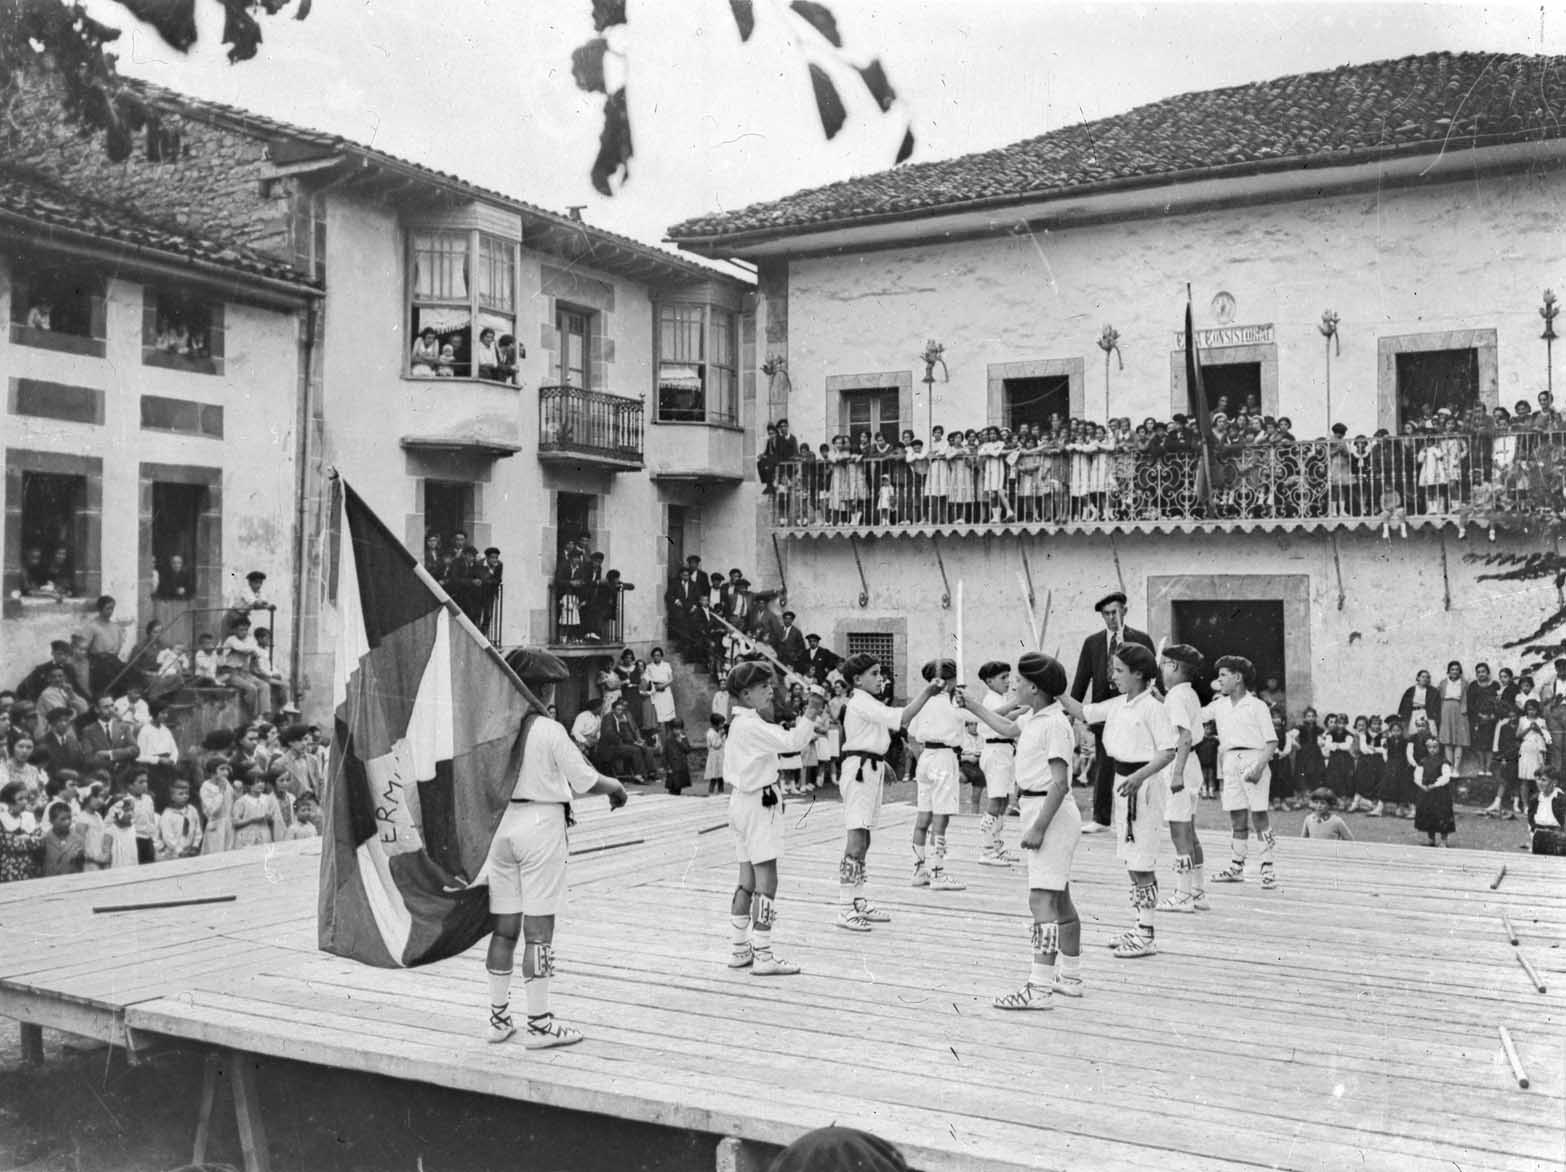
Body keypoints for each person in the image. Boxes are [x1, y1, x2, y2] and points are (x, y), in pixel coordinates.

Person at [483, 648, 627, 1047]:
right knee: (540, 930)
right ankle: (540, 1024)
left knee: (504, 927)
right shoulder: (548, 729)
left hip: (502, 827)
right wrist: (615, 787)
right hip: (541, 824)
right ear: (544, 688)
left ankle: (497, 1019)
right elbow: (583, 779)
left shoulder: (493, 726)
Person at [960, 652, 1083, 1009]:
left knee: (1041, 900)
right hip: (1039, 807)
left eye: (1020, 681)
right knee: (1058, 898)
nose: (1014, 685)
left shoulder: (1055, 724)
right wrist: (970, 705)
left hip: (1050, 812)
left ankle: (1039, 986)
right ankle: (1070, 976)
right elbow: (1005, 728)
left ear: (1034, 687)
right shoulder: (1035, 717)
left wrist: (1038, 829)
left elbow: (1059, 784)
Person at [1060, 644, 1176, 959]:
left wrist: (1139, 777)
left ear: (1139, 674)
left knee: (1143, 860)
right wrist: (1055, 688)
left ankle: (1148, 933)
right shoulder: (1119, 703)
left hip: (1144, 787)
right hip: (1123, 783)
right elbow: (1084, 711)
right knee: (1130, 857)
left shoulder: (1152, 707)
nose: (1113, 677)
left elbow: (1168, 751)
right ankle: (1139, 925)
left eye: (1119, 671)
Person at [721, 660, 825, 976]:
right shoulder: (751, 725)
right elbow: (792, 744)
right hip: (757, 805)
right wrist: (812, 710)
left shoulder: (742, 723)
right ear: (746, 694)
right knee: (767, 880)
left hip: (743, 802)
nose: (770, 690)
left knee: (746, 880)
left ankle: (740, 948)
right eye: (763, 687)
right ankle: (763, 954)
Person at [835, 653, 944, 933]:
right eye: (873, 673)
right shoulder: (860, 701)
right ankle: (845, 907)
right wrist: (928, 692)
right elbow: (903, 717)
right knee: (856, 839)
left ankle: (858, 900)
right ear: (857, 680)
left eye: (879, 672)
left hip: (870, 769)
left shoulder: (869, 702)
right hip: (858, 772)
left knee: (865, 838)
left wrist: (883, 764)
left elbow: (872, 738)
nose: (880, 677)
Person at [1070, 591, 1155, 835]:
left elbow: (1151, 674)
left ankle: (1133, 818)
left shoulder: (1140, 639)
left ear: (1125, 611)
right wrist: (1071, 712)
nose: (1111, 618)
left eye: (1115, 612)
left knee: (1132, 760)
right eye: (1106, 614)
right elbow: (1081, 679)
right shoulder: (1093, 642)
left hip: (1134, 709)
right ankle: (1101, 818)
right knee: (1104, 763)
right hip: (1103, 711)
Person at [1203, 655, 1281, 889]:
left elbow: (1271, 742)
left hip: (1254, 759)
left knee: (1259, 816)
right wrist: (1159, 698)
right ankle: (1237, 866)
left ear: (1238, 678)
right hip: (1229, 760)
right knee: (1237, 817)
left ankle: (1267, 867)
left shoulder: (1257, 706)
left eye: (1223, 675)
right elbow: (1192, 714)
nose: (1219, 680)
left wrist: (1258, 767)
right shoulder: (1219, 705)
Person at [907, 659, 969, 893]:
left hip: (926, 757)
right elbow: (980, 717)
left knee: (924, 816)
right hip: (944, 757)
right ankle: (937, 872)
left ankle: (919, 868)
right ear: (950, 680)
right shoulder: (955, 702)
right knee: (941, 817)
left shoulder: (922, 702)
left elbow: (912, 732)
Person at [1157, 644, 1210, 913]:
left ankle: (1183, 894)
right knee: (1189, 831)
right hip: (1192, 765)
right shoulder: (1186, 694)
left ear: (1174, 667)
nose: (1162, 669)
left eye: (1165, 664)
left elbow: (1185, 736)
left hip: (1181, 764)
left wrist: (1176, 772)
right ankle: (1197, 892)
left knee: (1179, 832)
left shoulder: (1176, 697)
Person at [975, 660, 1025, 867]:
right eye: (1003, 678)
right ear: (989, 681)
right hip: (994, 750)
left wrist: (1023, 709)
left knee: (1003, 800)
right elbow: (996, 715)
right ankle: (986, 849)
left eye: (1008, 677)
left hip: (1005, 751)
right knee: (995, 800)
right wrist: (1017, 703)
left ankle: (996, 845)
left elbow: (1008, 717)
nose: (1007, 681)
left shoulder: (1001, 698)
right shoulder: (990, 700)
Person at [1413, 733, 1456, 846]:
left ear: (1439, 747)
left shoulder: (1444, 761)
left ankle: (1443, 839)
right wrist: (1421, 785)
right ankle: (1431, 838)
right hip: (1426, 791)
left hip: (1440, 793)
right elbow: (1417, 775)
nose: (1432, 750)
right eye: (1429, 747)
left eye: (1435, 747)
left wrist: (1435, 785)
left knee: (1442, 815)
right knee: (1428, 814)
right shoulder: (1423, 761)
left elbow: (1446, 776)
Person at [156, 779, 203, 860]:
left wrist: (195, 845)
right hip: (174, 854)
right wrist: (180, 851)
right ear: (172, 796)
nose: (185, 796)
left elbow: (197, 830)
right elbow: (168, 837)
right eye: (181, 794)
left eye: (187, 793)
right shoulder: (167, 815)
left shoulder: (192, 810)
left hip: (191, 851)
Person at [1437, 661, 1471, 772]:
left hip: (1460, 710)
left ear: (1459, 671)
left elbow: (1467, 698)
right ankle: (1449, 767)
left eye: (1457, 669)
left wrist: (1464, 710)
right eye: (1452, 669)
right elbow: (1439, 698)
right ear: (1449, 671)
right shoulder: (1443, 683)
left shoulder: (1464, 683)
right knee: (1447, 740)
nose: (1454, 671)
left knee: (1459, 740)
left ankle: (1456, 768)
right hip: (1446, 710)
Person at [200, 758, 237, 854]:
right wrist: (220, 792)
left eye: (227, 769)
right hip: (216, 826)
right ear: (213, 771)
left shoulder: (226, 783)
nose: (226, 772)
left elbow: (231, 802)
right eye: (222, 769)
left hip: (228, 825)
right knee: (216, 854)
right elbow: (212, 809)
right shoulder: (206, 787)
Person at [41, 800, 86, 876]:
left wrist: (79, 856)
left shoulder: (78, 839)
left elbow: (82, 865)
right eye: (63, 819)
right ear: (52, 821)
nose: (67, 822)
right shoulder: (45, 840)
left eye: (69, 818)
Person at [1527, 769, 1566, 854]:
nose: (1540, 783)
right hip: (1538, 839)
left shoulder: (1561, 799)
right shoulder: (1534, 799)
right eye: (1538, 779)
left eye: (1544, 780)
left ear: (1554, 782)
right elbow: (1530, 822)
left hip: (1558, 840)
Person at [644, 647, 677, 728]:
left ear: (661, 656)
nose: (656, 657)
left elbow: (671, 679)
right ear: (652, 656)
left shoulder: (666, 665)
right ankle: (659, 736)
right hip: (655, 692)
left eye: (658, 655)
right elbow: (647, 680)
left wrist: (663, 685)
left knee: (668, 715)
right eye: (655, 655)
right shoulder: (649, 667)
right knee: (658, 715)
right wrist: (655, 686)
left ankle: (668, 735)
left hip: (665, 691)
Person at [704, 714, 727, 795]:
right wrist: (720, 736)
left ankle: (721, 793)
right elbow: (715, 745)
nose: (722, 725)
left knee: (721, 777)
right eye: (721, 723)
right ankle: (711, 793)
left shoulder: (719, 732)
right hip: (714, 758)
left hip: (720, 757)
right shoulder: (710, 733)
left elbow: (723, 743)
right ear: (715, 724)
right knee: (713, 777)